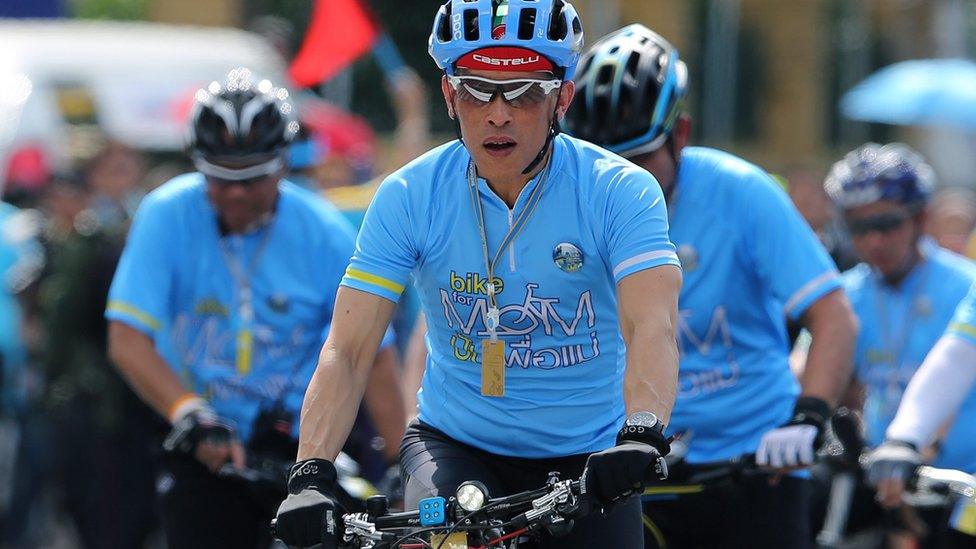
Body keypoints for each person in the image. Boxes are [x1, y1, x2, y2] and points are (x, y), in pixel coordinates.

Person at [275, 1, 683, 547]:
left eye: (525, 92)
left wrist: (641, 432)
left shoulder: (619, 191)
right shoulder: (408, 196)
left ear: (562, 97)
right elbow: (347, 349)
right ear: (448, 95)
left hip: (590, 455)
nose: (498, 113)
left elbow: (651, 325)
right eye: (476, 89)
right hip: (455, 446)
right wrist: (310, 474)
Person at [564, 24, 857, 548]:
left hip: (755, 458)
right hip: (634, 456)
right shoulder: (572, 203)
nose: (622, 180)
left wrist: (808, 416)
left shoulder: (742, 191)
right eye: (604, 164)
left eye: (638, 160)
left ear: (681, 136)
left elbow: (833, 315)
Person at [105, 68, 406, 548]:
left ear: (284, 164)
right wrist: (187, 411)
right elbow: (126, 339)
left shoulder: (324, 232)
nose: (237, 193)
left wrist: (399, 465)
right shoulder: (165, 215)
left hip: (301, 447)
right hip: (206, 440)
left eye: (252, 178)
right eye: (221, 180)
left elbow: (373, 356)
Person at [823, 143, 976, 548]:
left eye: (888, 224)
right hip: (885, 473)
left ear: (920, 218)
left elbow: (956, 370)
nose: (874, 240)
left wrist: (914, 448)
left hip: (958, 481)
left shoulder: (962, 284)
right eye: (858, 228)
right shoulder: (846, 294)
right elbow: (820, 371)